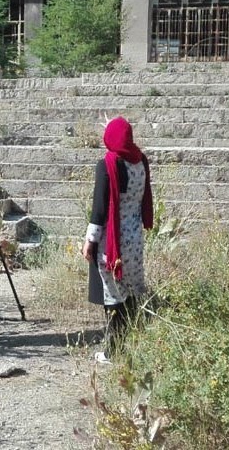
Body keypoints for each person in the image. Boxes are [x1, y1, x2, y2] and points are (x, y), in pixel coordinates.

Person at [81, 117, 153, 363]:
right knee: (131, 292)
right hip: (135, 236)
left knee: (112, 294)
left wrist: (90, 240)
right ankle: (132, 341)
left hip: (113, 239)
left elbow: (100, 208)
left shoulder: (108, 164)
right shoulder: (140, 161)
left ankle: (114, 351)